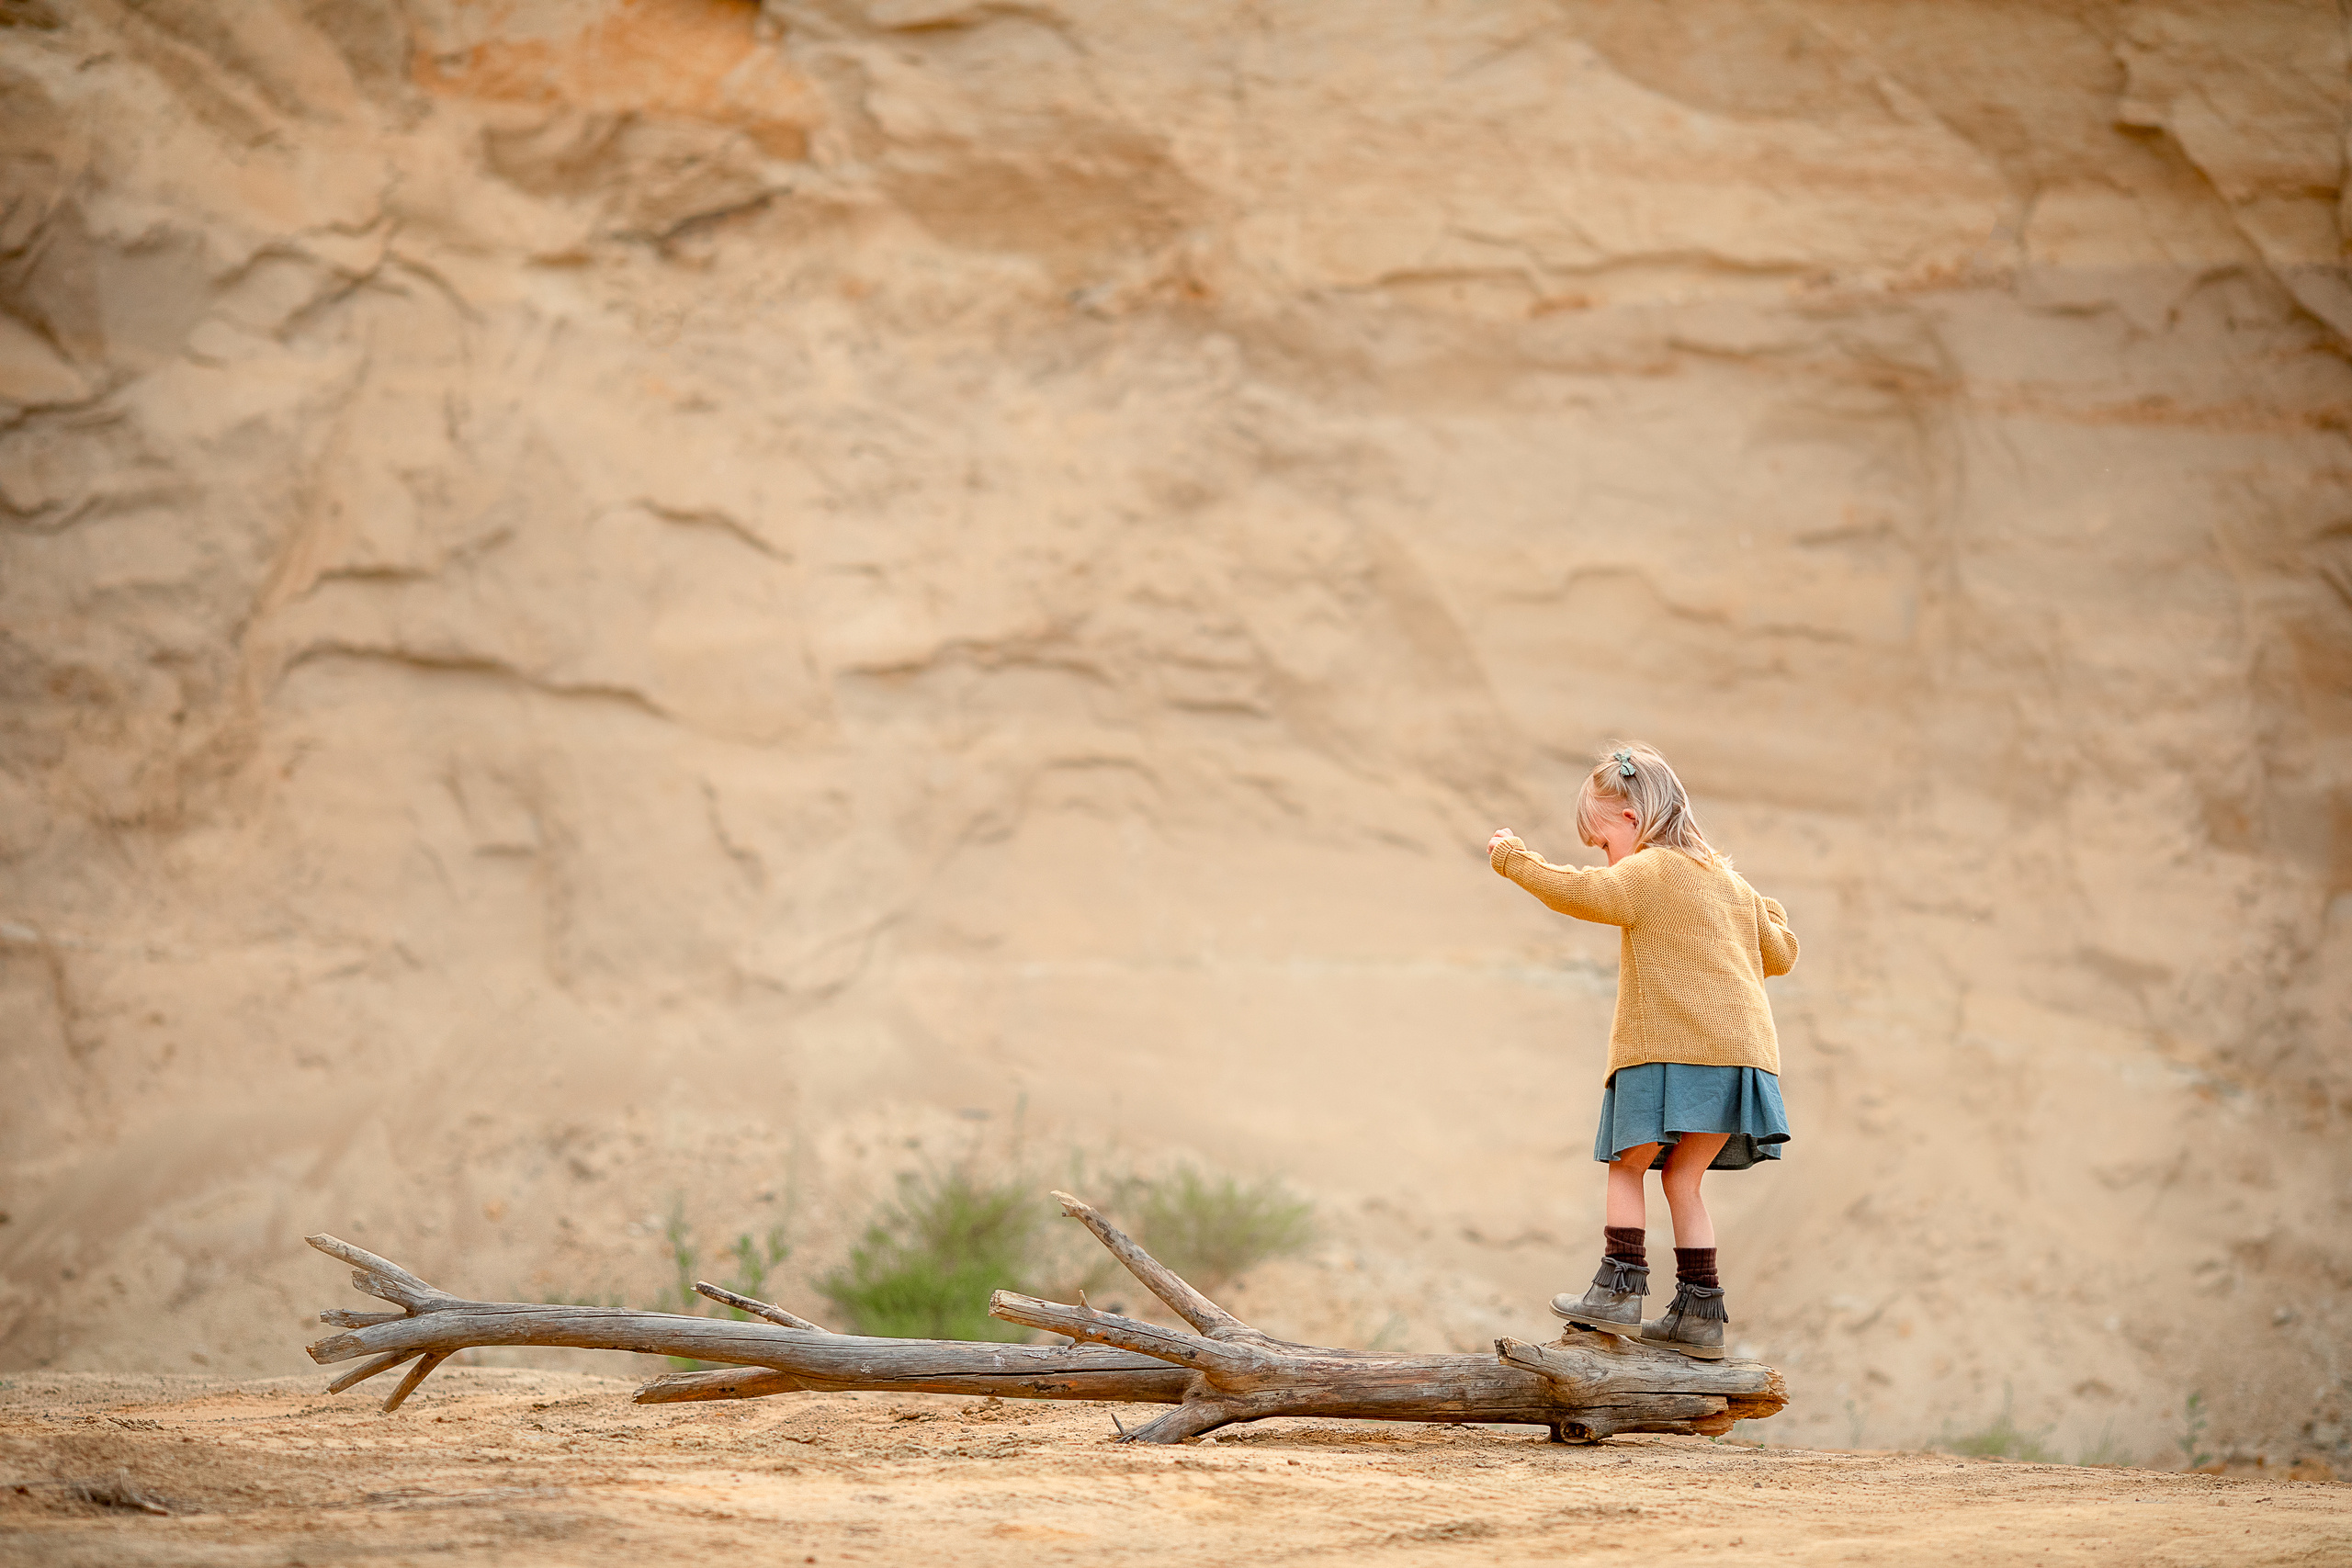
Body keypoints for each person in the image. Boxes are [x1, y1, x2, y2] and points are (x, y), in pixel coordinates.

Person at [1487, 742, 1797, 1359]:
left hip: (1669, 1049)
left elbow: (1579, 893)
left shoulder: (1647, 871)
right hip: (1740, 1060)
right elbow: (1781, 955)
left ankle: (1618, 1289)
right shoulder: (1730, 883)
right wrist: (1768, 908)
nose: (1605, 857)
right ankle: (1700, 1315)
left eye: (1602, 842)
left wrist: (1513, 859)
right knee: (1685, 1178)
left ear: (1630, 820)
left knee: (1628, 1165)